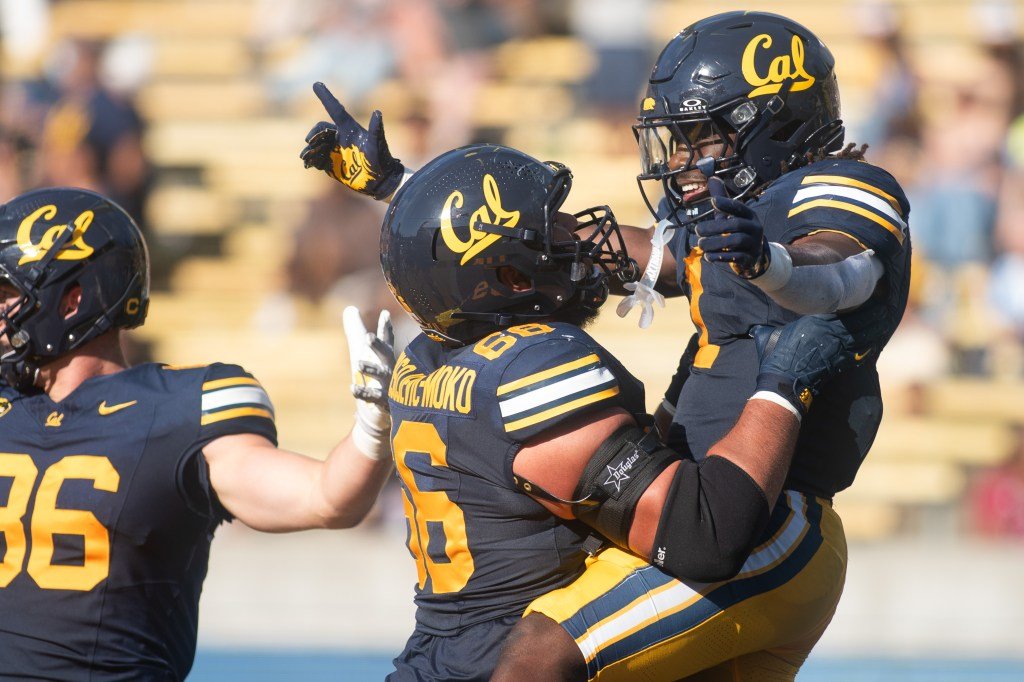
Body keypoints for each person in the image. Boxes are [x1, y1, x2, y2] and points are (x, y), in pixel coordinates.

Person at [299, 12, 912, 679]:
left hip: (765, 523)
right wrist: (408, 190)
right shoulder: (736, 220)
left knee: (540, 653)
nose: (678, 163)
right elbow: (584, 245)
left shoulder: (838, 189)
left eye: (698, 139)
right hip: (709, 499)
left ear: (773, 124)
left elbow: (842, 269)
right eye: (672, 143)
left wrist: (775, 267)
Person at [0, 187, 395, 679]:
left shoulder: (176, 409)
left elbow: (325, 498)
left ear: (71, 300)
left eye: (7, 294)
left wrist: (374, 428)